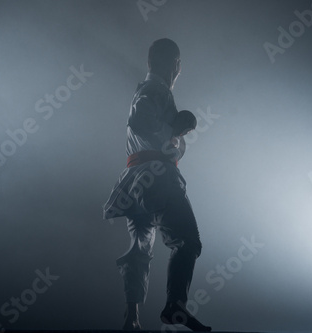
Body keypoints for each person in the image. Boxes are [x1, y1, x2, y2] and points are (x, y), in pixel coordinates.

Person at [103, 38, 211, 331]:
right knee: (188, 242)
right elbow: (140, 120)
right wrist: (174, 130)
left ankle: (132, 317)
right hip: (158, 179)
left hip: (136, 179)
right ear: (176, 65)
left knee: (140, 246)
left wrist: (176, 134)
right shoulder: (156, 89)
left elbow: (146, 129)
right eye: (179, 66)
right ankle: (175, 306)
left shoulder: (148, 89)